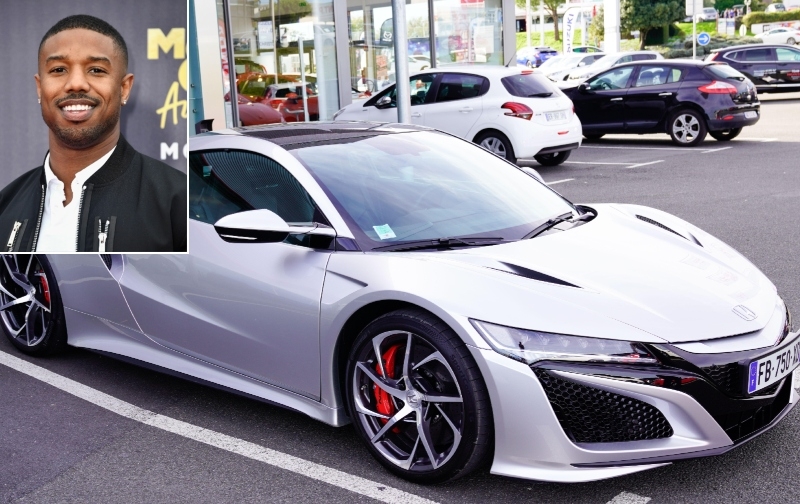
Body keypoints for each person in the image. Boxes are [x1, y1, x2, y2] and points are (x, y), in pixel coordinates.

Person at [0, 14, 186, 252]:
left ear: (124, 88)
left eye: (96, 70)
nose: (76, 83)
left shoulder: (178, 203)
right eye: (58, 69)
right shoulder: (6, 206)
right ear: (40, 87)